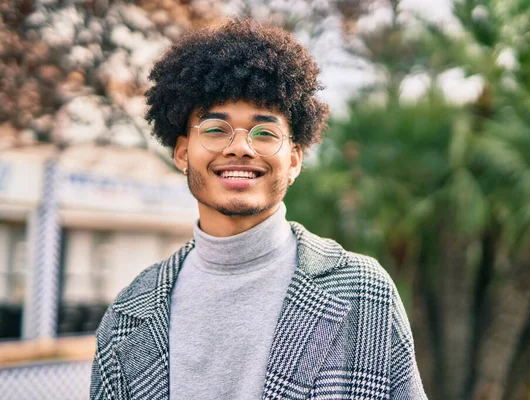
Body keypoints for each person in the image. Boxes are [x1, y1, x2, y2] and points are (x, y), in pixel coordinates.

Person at [90, 19, 427, 400]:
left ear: (295, 160)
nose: (240, 148)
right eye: (216, 129)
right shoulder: (128, 314)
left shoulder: (362, 292)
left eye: (264, 132)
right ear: (182, 153)